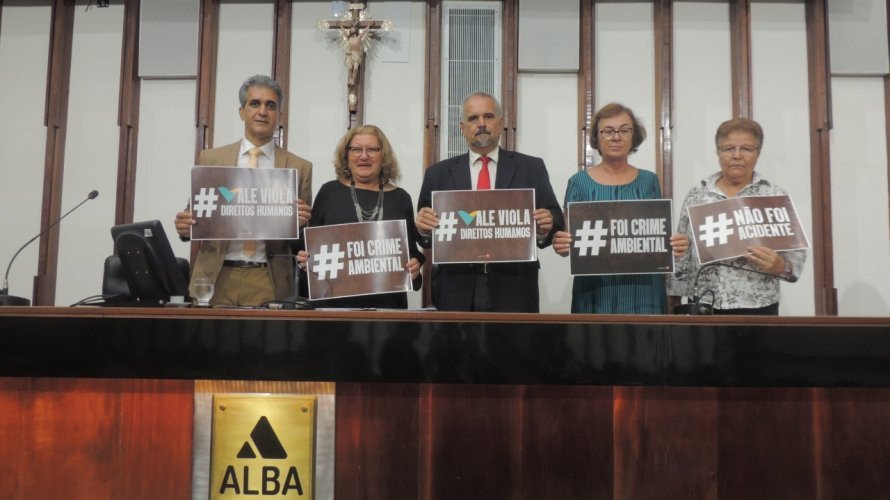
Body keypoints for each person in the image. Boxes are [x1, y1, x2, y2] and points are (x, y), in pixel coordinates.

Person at [415, 92, 564, 312]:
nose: (482, 124)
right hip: (457, 287)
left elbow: (556, 220)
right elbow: (424, 238)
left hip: (515, 287)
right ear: (462, 127)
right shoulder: (437, 174)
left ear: (501, 123)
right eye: (474, 118)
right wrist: (424, 229)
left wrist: (545, 226)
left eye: (488, 116)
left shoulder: (530, 168)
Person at [174, 75, 313, 307]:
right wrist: (184, 227)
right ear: (241, 111)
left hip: (269, 279)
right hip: (216, 276)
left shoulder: (299, 167)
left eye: (271, 105)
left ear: (279, 114)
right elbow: (197, 216)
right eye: (255, 104)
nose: (262, 111)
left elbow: (303, 241)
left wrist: (300, 223)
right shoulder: (212, 158)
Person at [552, 103, 688, 314]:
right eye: (608, 131)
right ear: (597, 138)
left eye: (624, 130)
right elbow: (569, 244)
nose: (616, 137)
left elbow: (657, 236)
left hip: (644, 292)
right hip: (595, 291)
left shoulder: (649, 180)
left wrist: (674, 244)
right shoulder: (578, 182)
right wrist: (561, 244)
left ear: (633, 136)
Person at [667, 117, 806, 315]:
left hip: (759, 307)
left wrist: (780, 266)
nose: (737, 155)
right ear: (718, 152)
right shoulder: (698, 195)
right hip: (704, 303)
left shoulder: (774, 196)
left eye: (747, 149)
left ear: (758, 152)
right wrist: (674, 298)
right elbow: (682, 252)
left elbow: (796, 257)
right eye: (728, 148)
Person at [296, 125, 423, 309]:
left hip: (387, 310)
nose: (364, 156)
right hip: (333, 309)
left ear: (383, 156)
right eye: (356, 149)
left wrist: (414, 270)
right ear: (346, 156)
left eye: (372, 149)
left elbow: (412, 257)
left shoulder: (401, 198)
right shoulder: (329, 192)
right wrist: (305, 262)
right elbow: (307, 249)